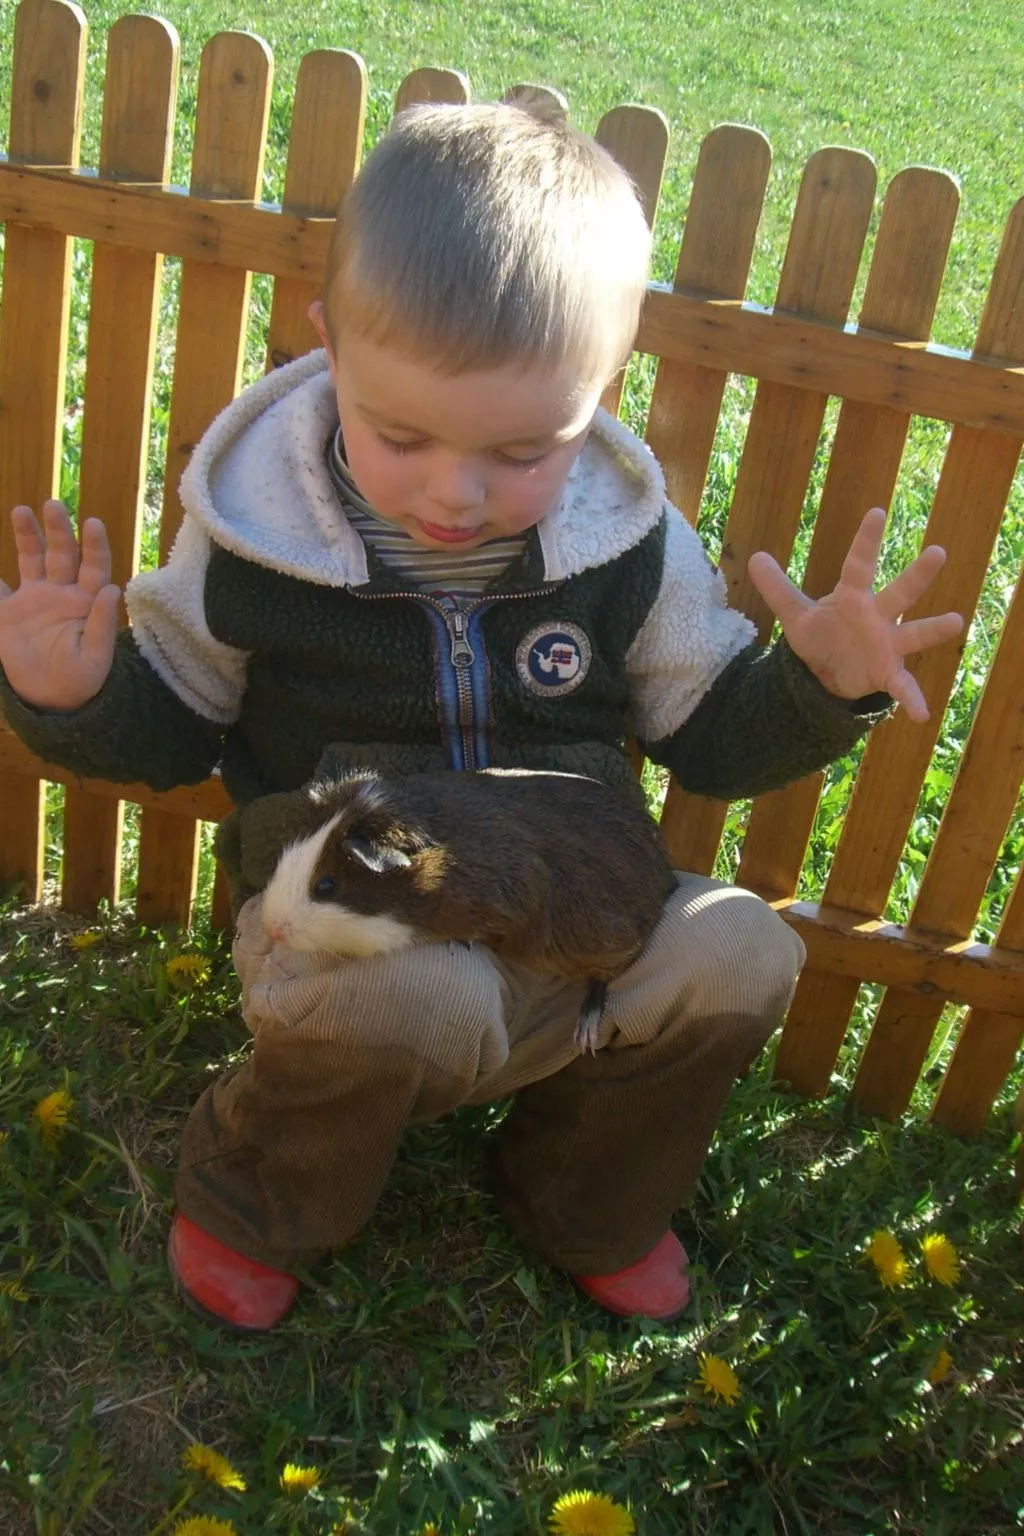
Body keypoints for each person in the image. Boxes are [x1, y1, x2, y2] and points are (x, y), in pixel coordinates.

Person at [0, 98, 963, 1331]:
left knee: (738, 947)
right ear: (329, 347)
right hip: (358, 943)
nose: (455, 494)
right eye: (401, 435)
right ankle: (263, 1199)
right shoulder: (254, 542)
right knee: (415, 997)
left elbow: (709, 742)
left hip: (579, 934)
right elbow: (177, 725)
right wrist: (74, 696)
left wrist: (818, 685)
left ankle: (582, 1197)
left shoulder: (627, 545)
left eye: (523, 450)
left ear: (601, 391)